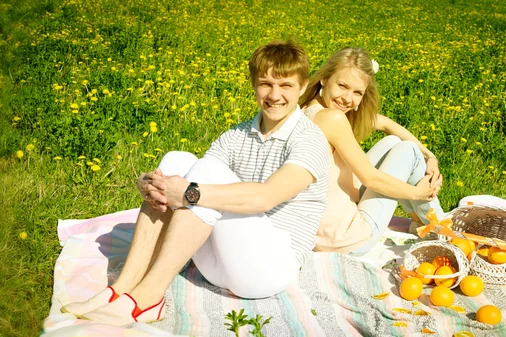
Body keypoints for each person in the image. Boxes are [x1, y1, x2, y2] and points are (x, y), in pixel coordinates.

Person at [61, 40, 330, 326]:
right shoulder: (238, 134)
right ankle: (122, 288)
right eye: (265, 84)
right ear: (254, 85)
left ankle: (149, 298)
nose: (274, 95)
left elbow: (265, 198)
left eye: (285, 86)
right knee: (178, 159)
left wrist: (188, 193)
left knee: (202, 177)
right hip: (219, 265)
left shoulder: (310, 140)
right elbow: (193, 175)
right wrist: (148, 183)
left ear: (302, 87)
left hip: (269, 269)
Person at [298, 47, 445, 255]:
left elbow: (385, 124)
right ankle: (444, 230)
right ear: (324, 79)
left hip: (321, 232)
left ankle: (423, 222)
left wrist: (430, 156)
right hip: (347, 240)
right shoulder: (334, 119)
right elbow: (370, 180)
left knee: (394, 141)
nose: (348, 99)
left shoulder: (309, 110)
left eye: (357, 92)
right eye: (342, 86)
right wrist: (418, 193)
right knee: (409, 151)